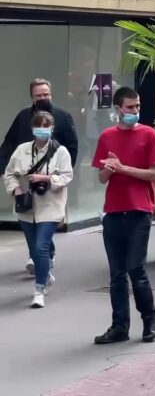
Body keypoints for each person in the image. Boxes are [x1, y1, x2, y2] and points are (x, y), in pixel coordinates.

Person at [92, 87, 155, 344]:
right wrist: (111, 169)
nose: (135, 111)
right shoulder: (107, 136)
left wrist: (124, 168)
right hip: (113, 211)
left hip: (139, 210)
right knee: (116, 274)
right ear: (117, 109)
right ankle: (119, 326)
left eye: (137, 107)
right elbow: (101, 178)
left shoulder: (149, 134)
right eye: (130, 107)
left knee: (136, 268)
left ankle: (149, 320)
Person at [1, 78, 79, 276]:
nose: (43, 98)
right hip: (27, 181)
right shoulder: (22, 117)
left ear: (51, 94)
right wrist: (4, 168)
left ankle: (41, 257)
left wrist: (61, 174)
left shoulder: (62, 116)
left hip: (51, 182)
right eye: (39, 95)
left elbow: (72, 145)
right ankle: (40, 255)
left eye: (46, 94)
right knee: (31, 218)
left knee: (46, 219)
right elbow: (9, 143)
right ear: (32, 97)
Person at [4, 111, 73, 308]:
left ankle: (39, 289)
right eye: (38, 127)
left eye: (46, 127)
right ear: (32, 129)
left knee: (41, 246)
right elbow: (9, 174)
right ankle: (45, 275)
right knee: (34, 249)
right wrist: (16, 189)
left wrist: (46, 179)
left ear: (52, 128)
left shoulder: (61, 152)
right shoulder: (22, 150)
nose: (42, 131)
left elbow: (67, 177)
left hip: (51, 206)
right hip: (25, 206)